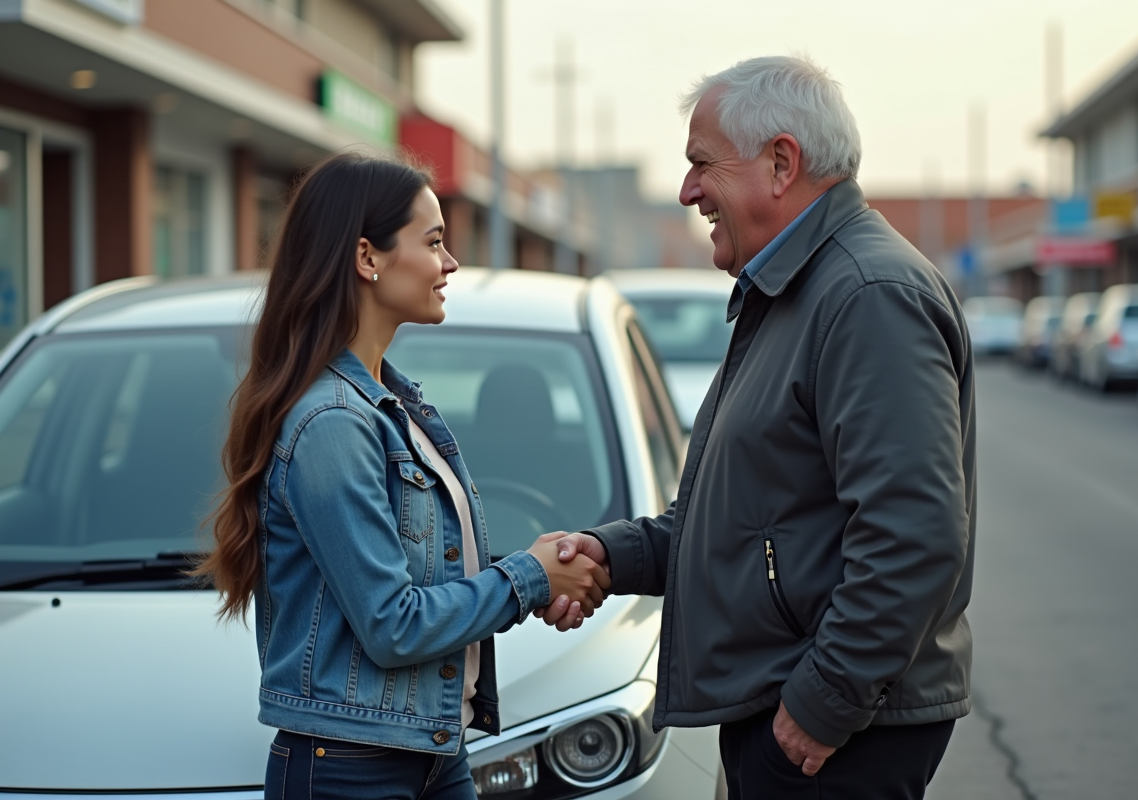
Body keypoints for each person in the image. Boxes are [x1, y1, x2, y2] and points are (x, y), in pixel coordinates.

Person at [541, 55, 976, 799]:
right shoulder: (799, 290)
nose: (687, 191)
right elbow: (747, 522)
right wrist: (614, 556)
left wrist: (819, 707)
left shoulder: (865, 295)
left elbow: (915, 535)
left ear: (781, 163)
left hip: (834, 734)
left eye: (701, 164)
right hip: (797, 711)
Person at [195, 152, 609, 799]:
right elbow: (392, 622)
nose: (450, 264)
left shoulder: (390, 403)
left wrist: (540, 576)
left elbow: (429, 576)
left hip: (429, 750)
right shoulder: (332, 421)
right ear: (368, 258)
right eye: (434, 241)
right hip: (350, 768)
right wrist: (529, 578)